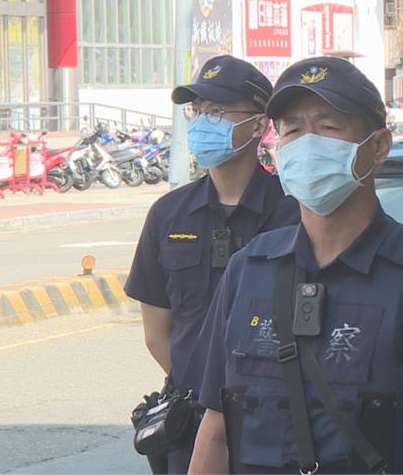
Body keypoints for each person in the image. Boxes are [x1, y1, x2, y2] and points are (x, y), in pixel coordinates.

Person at [188, 57, 403, 474]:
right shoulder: (249, 270)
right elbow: (215, 428)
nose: (308, 143)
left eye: (329, 127)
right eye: (293, 130)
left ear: (377, 146)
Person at [125, 55, 300, 475]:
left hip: (281, 421)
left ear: (259, 126)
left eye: (218, 111)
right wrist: (208, 395)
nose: (204, 122)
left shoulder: (294, 214)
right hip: (191, 423)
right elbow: (157, 334)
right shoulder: (169, 215)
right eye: (198, 110)